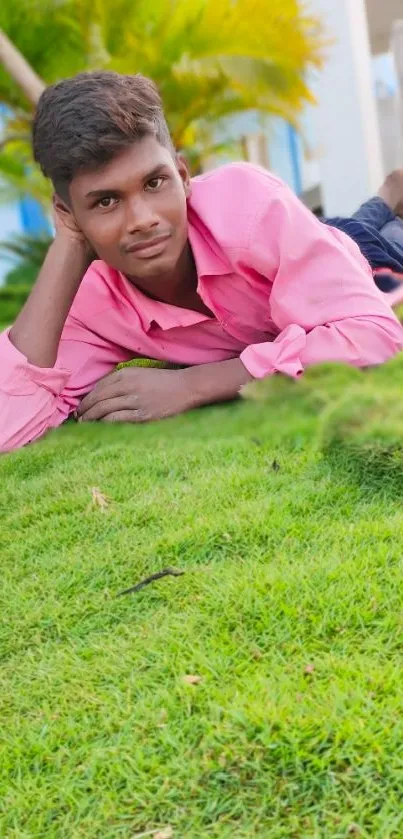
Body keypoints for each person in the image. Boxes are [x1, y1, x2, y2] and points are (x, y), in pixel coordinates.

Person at [1, 70, 403, 454]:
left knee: (378, 235)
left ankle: (389, 196)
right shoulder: (91, 301)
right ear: (67, 213)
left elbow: (376, 336)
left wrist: (196, 384)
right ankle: (385, 198)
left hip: (366, 260)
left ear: (182, 174)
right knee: (359, 222)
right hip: (311, 241)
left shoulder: (250, 207)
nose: (143, 220)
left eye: (155, 183)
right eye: (105, 201)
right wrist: (69, 244)